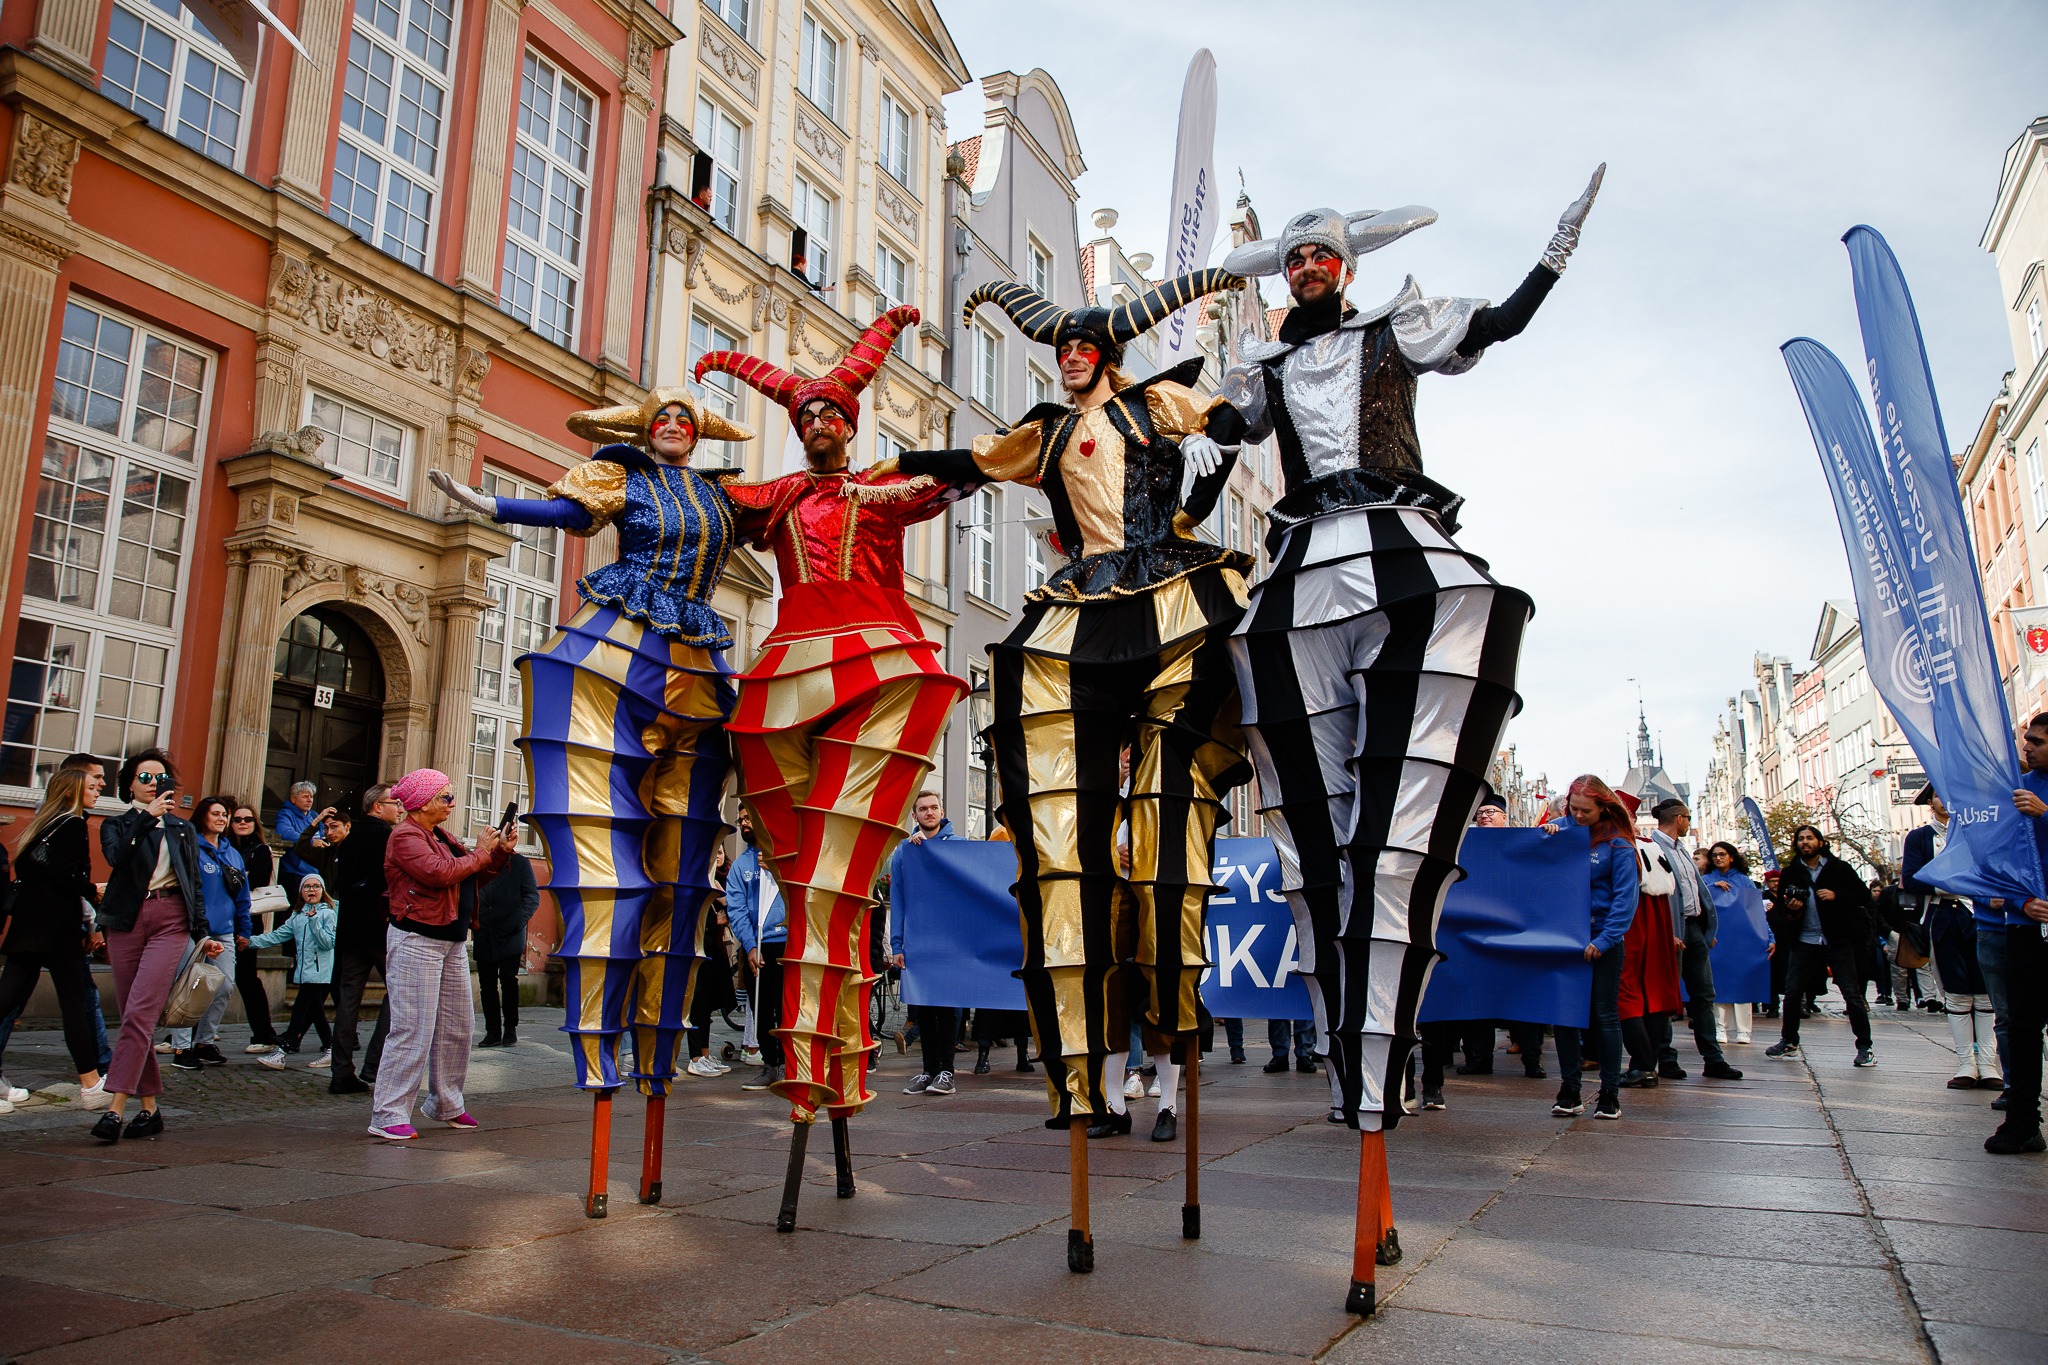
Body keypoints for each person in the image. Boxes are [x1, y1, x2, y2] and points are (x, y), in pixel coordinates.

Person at [1214, 175, 1599, 1149]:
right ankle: (1352, 1068)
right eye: (1294, 258)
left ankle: (1380, 1065)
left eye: (1320, 255)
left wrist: (1550, 260)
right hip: (1301, 571)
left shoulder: (1393, 329)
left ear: (1345, 268)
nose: (1306, 267)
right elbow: (1212, 440)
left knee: (1393, 839)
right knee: (1314, 841)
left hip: (1396, 546)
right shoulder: (1263, 365)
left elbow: (1497, 325)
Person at [884, 272, 1250, 1148]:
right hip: (1083, 604)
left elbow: (1227, 419)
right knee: (1061, 848)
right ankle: (1081, 1073)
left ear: (1110, 356)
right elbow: (973, 462)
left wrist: (1214, 457)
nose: (1072, 356)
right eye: (1063, 348)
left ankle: (1171, 1020)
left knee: (1166, 830)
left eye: (1085, 346)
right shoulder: (1049, 431)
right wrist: (893, 468)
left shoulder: (1154, 404)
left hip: (1167, 590)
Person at [432, 389, 753, 1166]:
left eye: (684, 421)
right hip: (619, 647)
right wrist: (491, 503)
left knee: (681, 878)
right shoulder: (624, 476)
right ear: (647, 430)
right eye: (661, 419)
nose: (671, 428)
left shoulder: (724, 495)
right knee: (611, 867)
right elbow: (566, 515)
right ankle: (600, 1050)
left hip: (697, 666)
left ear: (696, 434)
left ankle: (659, 1049)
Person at [696, 306, 967, 1134]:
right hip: (791, 667)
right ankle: (824, 1060)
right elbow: (706, 505)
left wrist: (916, 459)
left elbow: (965, 471)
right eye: (806, 412)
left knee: (833, 879)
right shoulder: (777, 495)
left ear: (849, 426)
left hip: (875, 657)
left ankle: (828, 1062)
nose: (817, 421)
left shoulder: (878, 490)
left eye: (830, 412)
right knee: (811, 877)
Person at [367, 768, 513, 1141]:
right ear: (422, 803)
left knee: (457, 1027)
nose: (451, 803)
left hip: (451, 940)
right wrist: (481, 852)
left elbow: (469, 875)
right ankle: (388, 1113)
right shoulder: (405, 836)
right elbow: (440, 873)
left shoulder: (440, 836)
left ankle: (446, 1102)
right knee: (412, 1028)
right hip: (417, 939)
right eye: (445, 796)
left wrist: (497, 854)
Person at [94, 749, 215, 1142]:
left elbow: (193, 882)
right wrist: (146, 818)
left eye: (159, 778)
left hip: (170, 919)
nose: (152, 784)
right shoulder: (117, 824)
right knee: (134, 1016)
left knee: (141, 1012)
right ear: (129, 784)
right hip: (125, 921)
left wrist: (203, 933)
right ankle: (150, 1109)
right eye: (144, 777)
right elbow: (117, 858)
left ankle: (114, 1109)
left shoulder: (182, 829)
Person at [0, 753, 113, 1098]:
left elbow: (36, 871)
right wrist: (91, 890)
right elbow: (65, 875)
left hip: (29, 925)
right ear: (71, 791)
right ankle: (90, 1083)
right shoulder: (73, 824)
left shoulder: (42, 825)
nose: (98, 790)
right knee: (74, 1005)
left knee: (6, 999)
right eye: (91, 786)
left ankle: (91, 1082)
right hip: (57, 928)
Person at [1547, 774, 1639, 1120]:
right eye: (1574, 808)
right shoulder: (1562, 830)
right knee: (1564, 1016)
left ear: (1604, 807)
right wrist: (1544, 836)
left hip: (1603, 939)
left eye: (1586, 810)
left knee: (1604, 1015)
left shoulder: (1618, 844)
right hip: (1565, 939)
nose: (1579, 815)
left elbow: (1625, 899)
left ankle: (1609, 1094)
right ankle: (1569, 1090)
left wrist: (1605, 939)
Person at [1902, 786, 2000, 1092]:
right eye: (1938, 795)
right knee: (1956, 993)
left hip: (1981, 915)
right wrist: (1950, 885)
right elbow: (1911, 879)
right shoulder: (1919, 837)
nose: (1945, 800)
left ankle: (1988, 1064)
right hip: (1944, 917)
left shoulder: (1978, 831)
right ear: (1930, 802)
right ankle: (1965, 1065)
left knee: (1985, 992)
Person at [1765, 825, 1877, 1068]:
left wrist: (1837, 895)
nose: (1805, 842)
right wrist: (1792, 909)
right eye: (1800, 839)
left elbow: (1863, 895)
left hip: (1838, 939)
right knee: (1793, 993)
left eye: (1810, 838)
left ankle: (1865, 1047)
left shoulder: (1839, 868)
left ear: (1820, 842)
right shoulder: (1791, 872)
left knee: (1852, 994)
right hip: (1805, 939)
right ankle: (1789, 1041)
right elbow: (1783, 911)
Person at [1988, 712, 2048, 1153]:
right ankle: (2023, 1121)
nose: (2026, 747)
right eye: (2027, 740)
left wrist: (2046, 815)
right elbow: (1994, 863)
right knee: (2023, 1026)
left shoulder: (2035, 801)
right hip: (2027, 928)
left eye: (2038, 742)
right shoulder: (2017, 791)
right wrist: (2019, 903)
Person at [1647, 801, 1740, 1080]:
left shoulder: (1682, 849)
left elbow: (1695, 889)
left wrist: (1706, 929)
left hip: (1694, 928)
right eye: (1688, 818)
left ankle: (1713, 1059)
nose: (1690, 823)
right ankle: (1665, 1058)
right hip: (1670, 931)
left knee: (1703, 994)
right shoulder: (1652, 848)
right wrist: (1666, 931)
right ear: (1679, 819)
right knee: (1666, 995)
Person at [165, 796, 253, 1071]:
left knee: (224, 985)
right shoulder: (190, 847)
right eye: (215, 813)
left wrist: (244, 929)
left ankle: (204, 1042)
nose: (221, 818)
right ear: (202, 816)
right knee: (188, 986)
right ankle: (181, 1047)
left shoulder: (232, 853)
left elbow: (242, 896)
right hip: (192, 929)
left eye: (224, 814)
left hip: (224, 930)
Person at [890, 790, 964, 1097]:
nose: (929, 812)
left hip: (949, 943)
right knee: (922, 1008)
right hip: (917, 942)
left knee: (945, 1008)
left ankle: (947, 1071)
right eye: (923, 809)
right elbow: (898, 898)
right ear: (915, 815)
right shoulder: (905, 851)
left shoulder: (959, 846)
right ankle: (929, 1070)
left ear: (942, 812)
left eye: (934, 807)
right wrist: (897, 946)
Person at [329, 784, 398, 1094]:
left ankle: (341, 1071)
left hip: (350, 927)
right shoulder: (386, 836)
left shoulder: (350, 837)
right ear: (376, 807)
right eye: (394, 803)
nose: (399, 808)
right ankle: (374, 1063)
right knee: (398, 991)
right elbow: (386, 880)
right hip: (379, 926)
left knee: (348, 1000)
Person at [726, 811, 786, 1091]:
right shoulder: (740, 866)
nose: (744, 823)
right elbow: (737, 909)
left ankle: (788, 1064)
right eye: (741, 820)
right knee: (760, 1008)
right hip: (756, 946)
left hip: (784, 942)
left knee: (785, 1007)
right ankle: (770, 1065)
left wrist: (777, 870)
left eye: (749, 817)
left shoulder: (784, 856)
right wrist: (749, 945)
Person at [251, 874, 338, 1068]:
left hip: (319, 974)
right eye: (307, 887)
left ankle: (283, 1050)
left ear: (322, 891)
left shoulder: (328, 913)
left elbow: (328, 943)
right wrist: (249, 942)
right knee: (315, 1012)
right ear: (301, 892)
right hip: (304, 973)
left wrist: (314, 922)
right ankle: (331, 1048)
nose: (311, 890)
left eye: (316, 886)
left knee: (299, 1011)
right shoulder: (297, 916)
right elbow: (277, 936)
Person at [225, 801, 281, 1052]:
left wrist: (232, 878)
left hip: (247, 920)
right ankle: (191, 1033)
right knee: (211, 975)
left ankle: (264, 1034)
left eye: (247, 819)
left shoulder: (260, 849)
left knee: (246, 977)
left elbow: (257, 880)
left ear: (254, 823)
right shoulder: (224, 847)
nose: (242, 823)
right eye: (237, 819)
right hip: (222, 918)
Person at [1703, 842, 1766, 1045]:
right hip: (1716, 939)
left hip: (1742, 940)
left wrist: (1770, 937)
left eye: (1722, 854)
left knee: (1742, 985)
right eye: (1714, 855)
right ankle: (1720, 1028)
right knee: (1718, 984)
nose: (1718, 858)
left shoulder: (1744, 881)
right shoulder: (1706, 880)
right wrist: (1713, 887)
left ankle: (1744, 1030)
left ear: (1731, 856)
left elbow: (1757, 912)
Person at [475, 848, 538, 1048]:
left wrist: (516, 922)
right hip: (484, 931)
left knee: (508, 981)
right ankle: (492, 1032)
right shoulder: (479, 859)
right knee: (487, 985)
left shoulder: (519, 862)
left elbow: (532, 896)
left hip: (510, 933)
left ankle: (510, 1028)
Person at [276, 780, 319, 887]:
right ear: (293, 799)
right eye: (305, 797)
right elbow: (284, 832)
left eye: (311, 797)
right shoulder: (286, 813)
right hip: (294, 872)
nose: (310, 800)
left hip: (315, 871)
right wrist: (310, 841)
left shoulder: (314, 815)